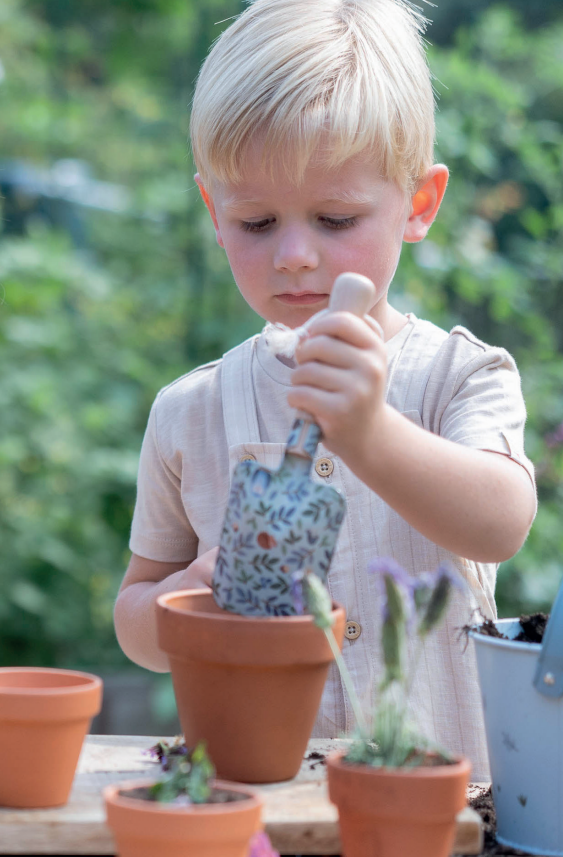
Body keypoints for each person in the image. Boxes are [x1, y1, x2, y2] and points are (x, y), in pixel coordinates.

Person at [113, 0, 536, 780]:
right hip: (255, 798)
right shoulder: (188, 411)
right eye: (257, 222)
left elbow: (501, 523)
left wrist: (371, 433)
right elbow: (134, 618)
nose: (295, 255)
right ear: (213, 212)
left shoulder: (459, 376)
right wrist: (184, 596)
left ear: (418, 205)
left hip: (441, 803)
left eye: (335, 218)